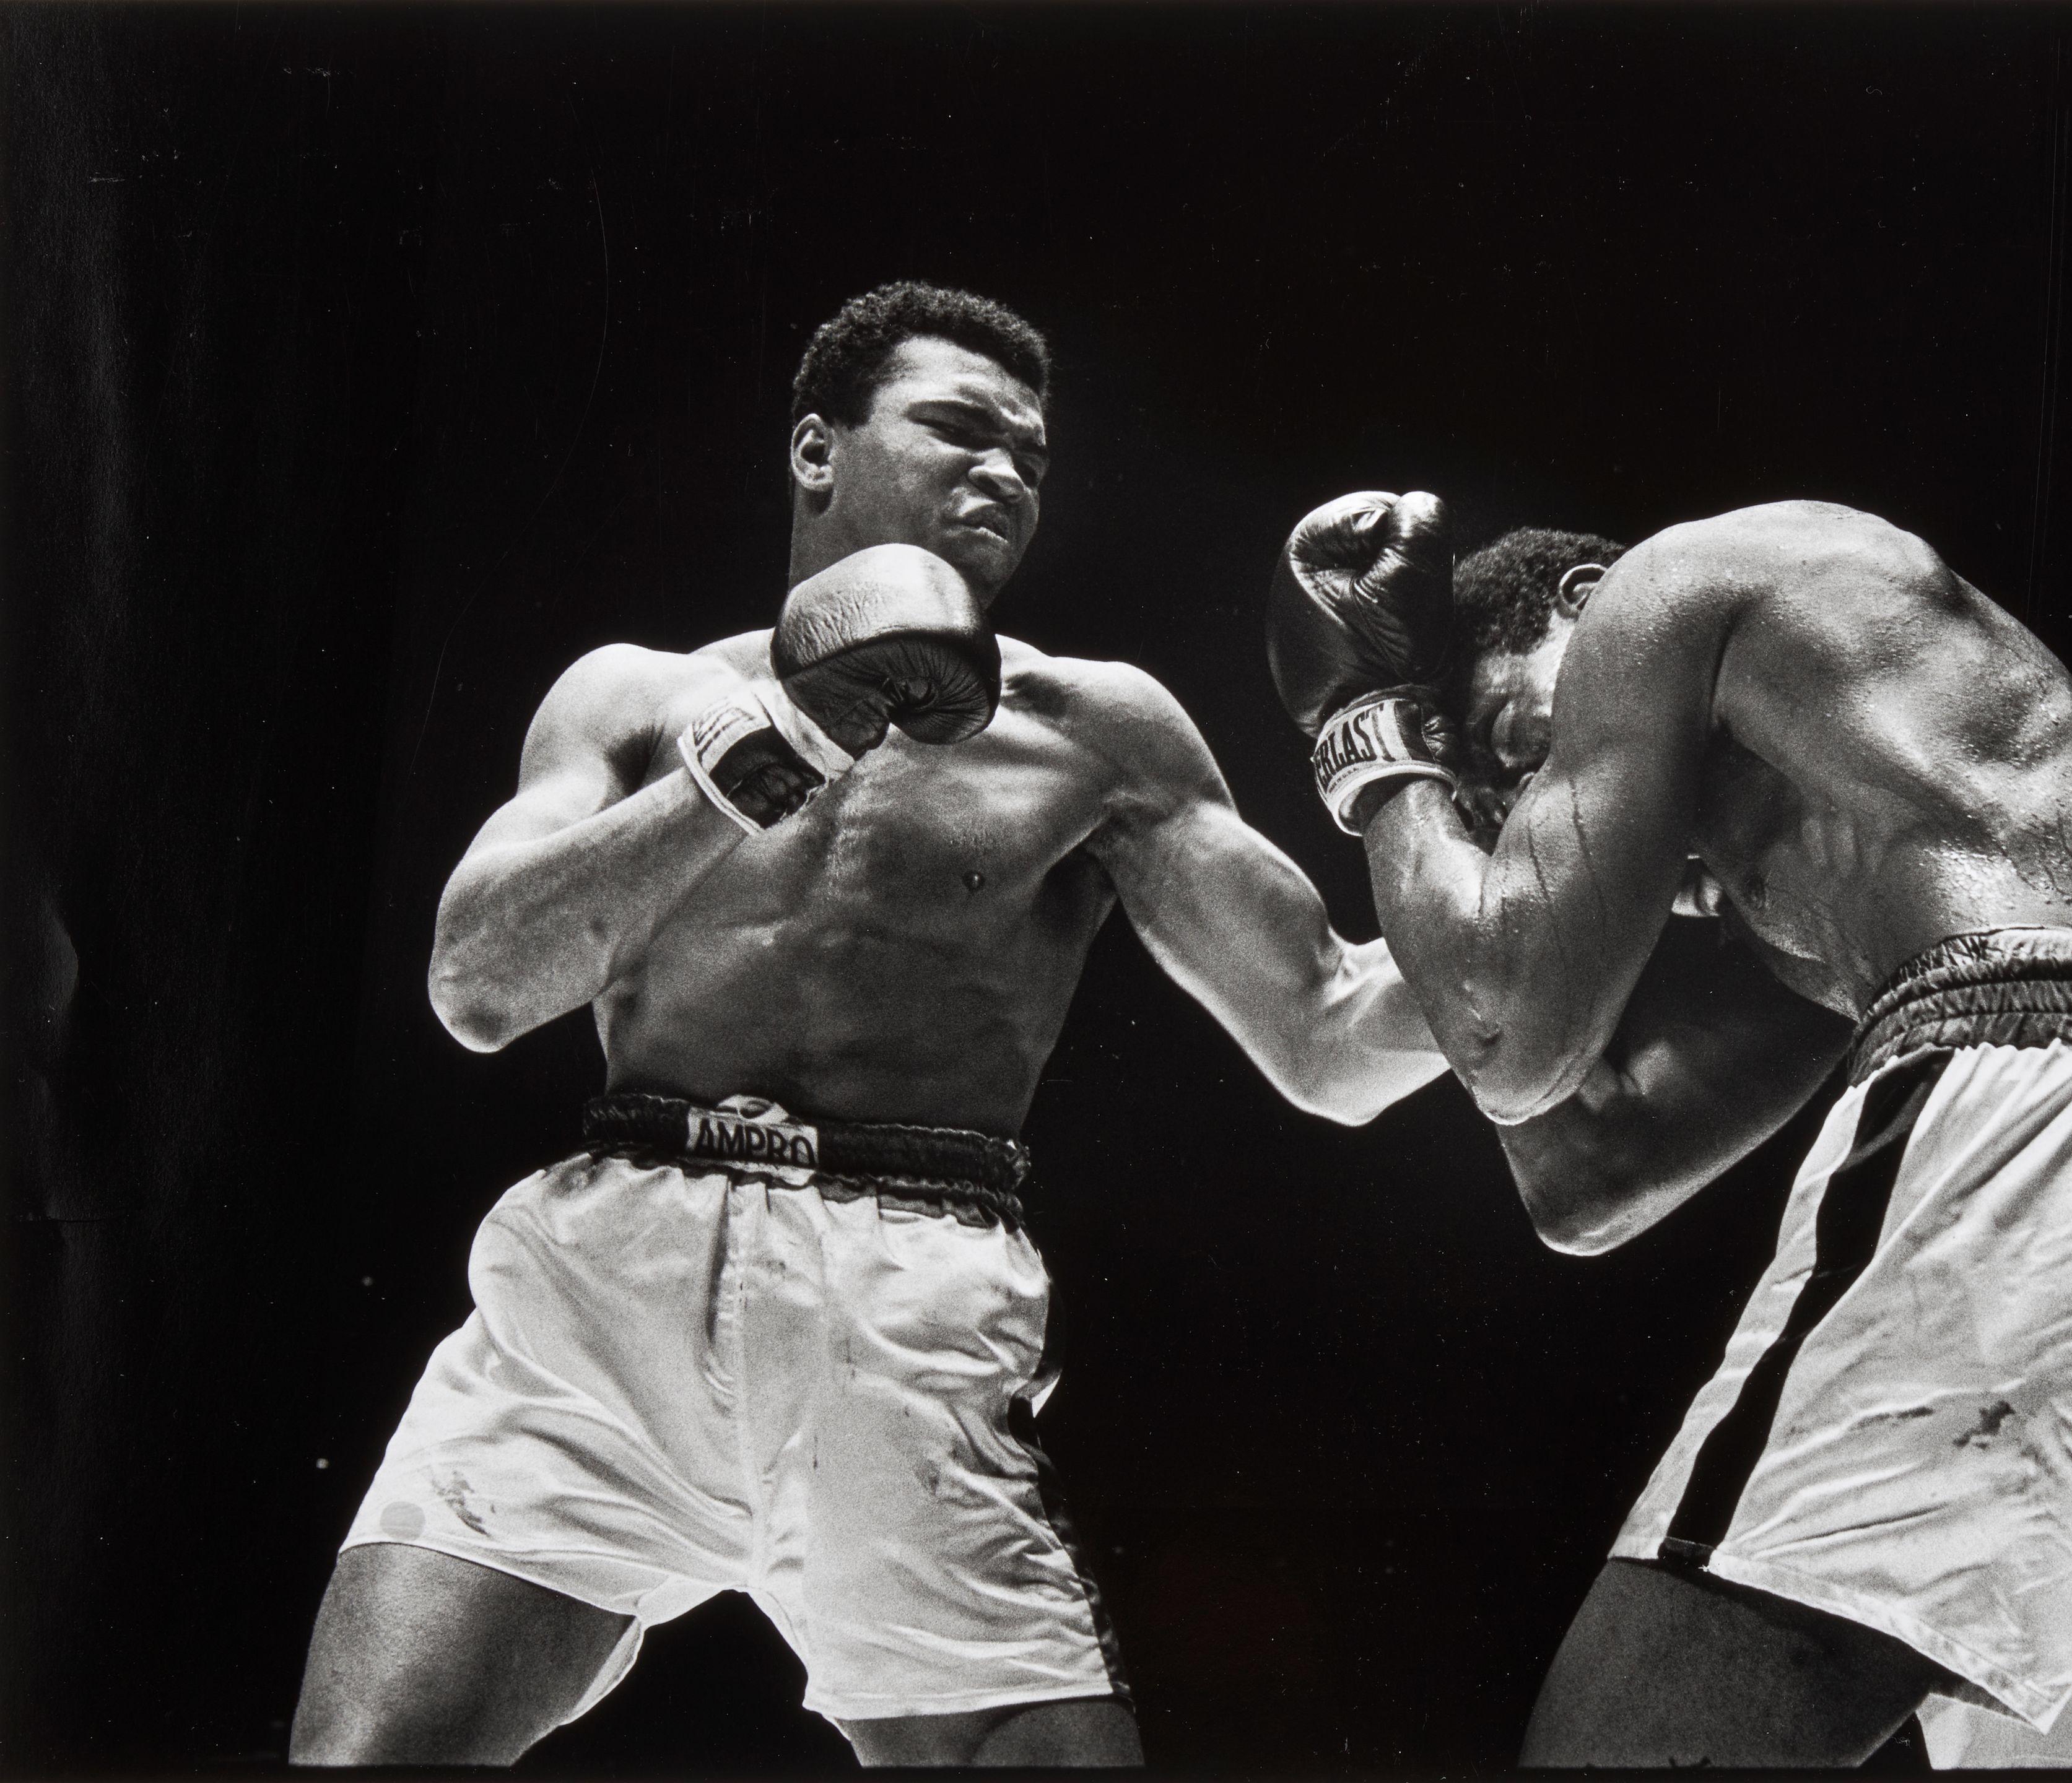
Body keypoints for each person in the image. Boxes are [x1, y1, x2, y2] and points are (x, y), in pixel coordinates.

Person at [289, 285, 1445, 1769]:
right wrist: (766, 753)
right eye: (958, 428)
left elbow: (1332, 1038)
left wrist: (1552, 855)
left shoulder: (1097, 729)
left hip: (904, 1299)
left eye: (1031, 456)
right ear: (815, 452)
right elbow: (478, 984)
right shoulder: (640, 695)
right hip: (600, 1299)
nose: (1006, 476)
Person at [1264, 496, 2072, 1766]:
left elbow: (1502, 1034)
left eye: (1527, 745)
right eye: (1502, 806)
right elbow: (1584, 1168)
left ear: (1585, 599)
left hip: (2050, 1143)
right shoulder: (1874, 845)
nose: (1537, 814)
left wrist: (1364, 733)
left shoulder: (1682, 582)